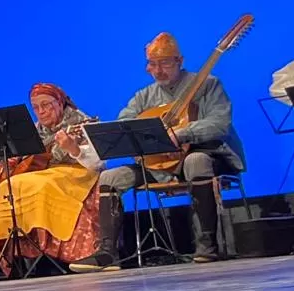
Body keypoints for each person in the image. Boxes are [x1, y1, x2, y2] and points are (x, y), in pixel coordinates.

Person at [71, 33, 247, 271]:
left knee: (195, 161)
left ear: (180, 61)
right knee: (109, 177)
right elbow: (125, 122)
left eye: (165, 63)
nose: (158, 70)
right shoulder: (145, 96)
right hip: (158, 164)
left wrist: (181, 134)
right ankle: (106, 253)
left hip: (205, 156)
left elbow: (219, 122)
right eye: (153, 65)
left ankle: (207, 245)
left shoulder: (207, 84)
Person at [0, 83, 103, 275]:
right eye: (36, 107)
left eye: (46, 105)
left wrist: (73, 148)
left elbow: (98, 163)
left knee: (40, 184)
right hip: (44, 174)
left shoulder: (82, 123)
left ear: (60, 102)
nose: (41, 111)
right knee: (9, 186)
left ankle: (56, 250)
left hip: (77, 172)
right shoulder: (33, 131)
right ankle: (19, 254)